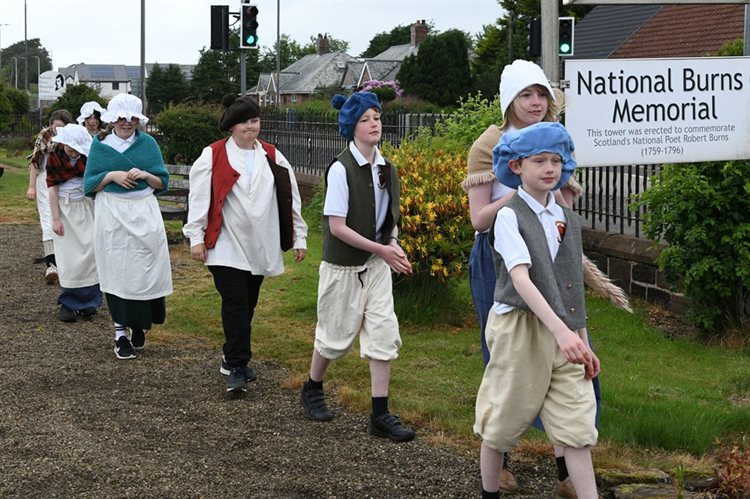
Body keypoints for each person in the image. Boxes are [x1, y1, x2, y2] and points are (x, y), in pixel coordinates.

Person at [462, 59, 599, 496]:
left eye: (542, 94)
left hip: (554, 274)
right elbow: (481, 220)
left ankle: (568, 476)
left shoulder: (556, 156)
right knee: (508, 379)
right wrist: (523, 204)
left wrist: (576, 331)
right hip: (502, 260)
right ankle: (497, 465)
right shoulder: (490, 146)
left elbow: (563, 233)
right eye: (527, 94)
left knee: (571, 393)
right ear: (510, 101)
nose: (536, 102)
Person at [299, 92, 415, 442]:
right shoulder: (340, 169)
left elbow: (389, 218)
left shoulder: (387, 167)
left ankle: (380, 414)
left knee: (383, 334)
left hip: (377, 266)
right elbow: (338, 227)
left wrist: (391, 245)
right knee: (334, 336)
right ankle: (312, 386)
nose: (374, 124)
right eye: (365, 119)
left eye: (377, 117)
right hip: (344, 268)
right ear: (351, 128)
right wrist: (383, 248)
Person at [183, 94, 308, 394]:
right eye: (244, 123)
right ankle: (238, 366)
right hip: (226, 243)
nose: (250, 128)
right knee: (236, 302)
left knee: (248, 303)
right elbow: (199, 198)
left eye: (254, 121)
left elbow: (290, 198)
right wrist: (196, 238)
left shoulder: (272, 155)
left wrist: (299, 236)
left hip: (260, 243)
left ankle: (230, 355)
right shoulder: (212, 155)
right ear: (231, 127)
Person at [83, 93, 172, 360]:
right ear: (112, 119)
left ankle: (139, 323)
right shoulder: (100, 147)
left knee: (144, 270)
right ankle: (120, 333)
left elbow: (162, 182)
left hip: (144, 212)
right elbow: (89, 185)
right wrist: (111, 175)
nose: (127, 123)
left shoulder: (148, 144)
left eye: (132, 118)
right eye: (122, 118)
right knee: (116, 271)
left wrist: (145, 175)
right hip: (112, 213)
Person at [47, 124, 102, 322]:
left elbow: (95, 182)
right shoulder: (55, 158)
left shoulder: (87, 158)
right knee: (69, 257)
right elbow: (52, 189)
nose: (72, 152)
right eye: (69, 148)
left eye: (76, 149)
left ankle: (89, 302)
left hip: (86, 206)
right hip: (65, 208)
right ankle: (69, 303)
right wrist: (55, 219)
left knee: (90, 253)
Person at [27, 109, 74, 285]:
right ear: (51, 125)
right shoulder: (44, 136)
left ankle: (66, 262)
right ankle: (51, 265)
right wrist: (31, 186)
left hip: (65, 181)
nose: (57, 132)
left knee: (65, 219)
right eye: (55, 128)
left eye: (62, 128)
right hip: (45, 181)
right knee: (48, 221)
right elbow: (35, 162)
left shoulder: (72, 138)